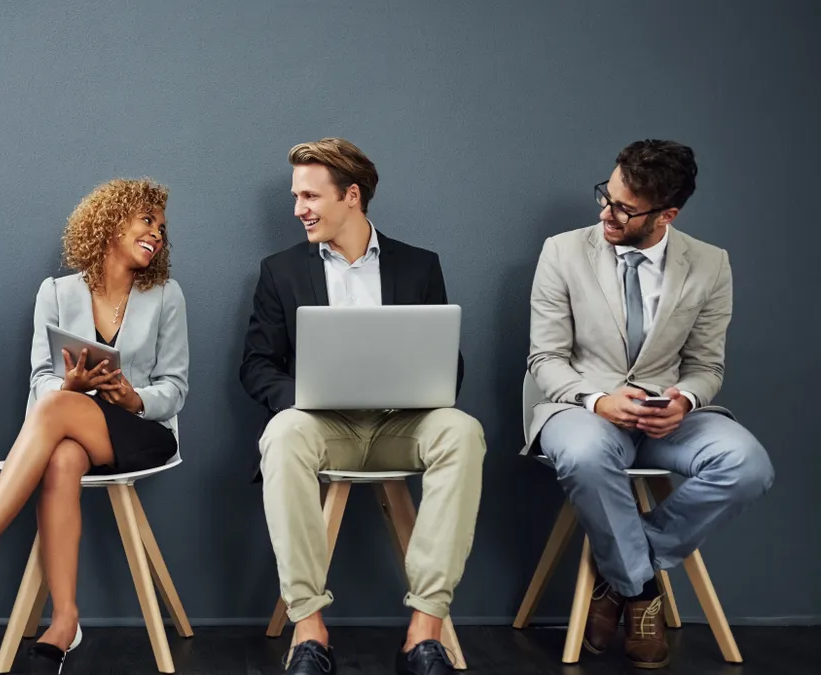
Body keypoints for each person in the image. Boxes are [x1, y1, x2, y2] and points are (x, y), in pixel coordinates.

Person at [0, 177, 188, 674]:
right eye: (147, 221)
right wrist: (72, 389)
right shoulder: (56, 293)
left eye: (162, 228)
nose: (157, 234)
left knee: (57, 412)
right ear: (110, 224)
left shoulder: (166, 295)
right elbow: (40, 378)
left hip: (141, 431)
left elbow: (176, 387)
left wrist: (132, 396)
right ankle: (64, 621)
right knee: (62, 455)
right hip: (71, 424)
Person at [525, 139, 774, 669]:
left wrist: (684, 399)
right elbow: (544, 359)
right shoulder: (562, 251)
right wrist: (597, 400)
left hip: (669, 417)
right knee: (587, 456)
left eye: (623, 208)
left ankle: (624, 576)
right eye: (607, 196)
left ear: (667, 214)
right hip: (582, 410)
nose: (605, 213)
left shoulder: (710, 264)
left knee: (748, 465)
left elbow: (708, 367)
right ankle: (642, 593)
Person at [240, 138, 485, 675]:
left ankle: (424, 633)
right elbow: (257, 366)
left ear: (351, 195)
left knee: (463, 431)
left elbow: (450, 364)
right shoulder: (280, 271)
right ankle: (309, 631)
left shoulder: (420, 266)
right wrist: (305, 398)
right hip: (324, 428)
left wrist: (428, 378)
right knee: (282, 434)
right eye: (295, 195)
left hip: (404, 424)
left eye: (310, 195)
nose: (298, 208)